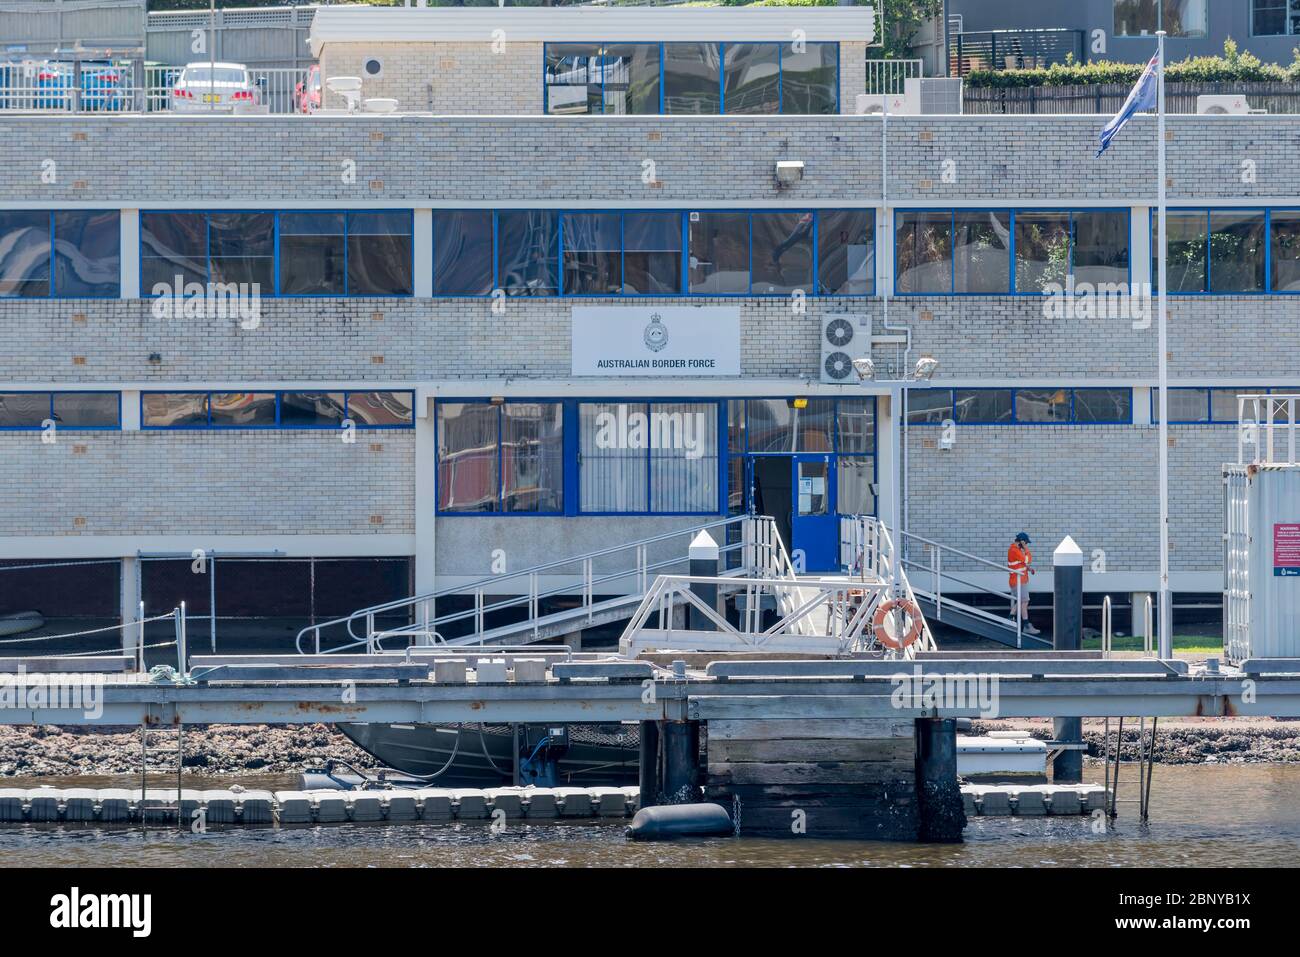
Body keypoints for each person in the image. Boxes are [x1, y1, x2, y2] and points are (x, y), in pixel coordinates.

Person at [1007, 532, 1040, 636]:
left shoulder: (1016, 550)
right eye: (1025, 542)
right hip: (1018, 581)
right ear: (1022, 541)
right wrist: (1026, 548)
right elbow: (1028, 559)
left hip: (1020, 580)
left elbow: (1021, 563)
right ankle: (1026, 626)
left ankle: (1011, 620)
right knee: (1024, 602)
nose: (1026, 544)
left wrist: (1028, 568)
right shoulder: (1014, 550)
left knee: (1022, 601)